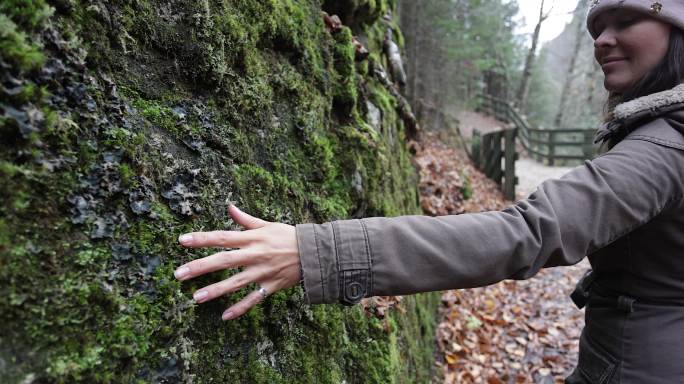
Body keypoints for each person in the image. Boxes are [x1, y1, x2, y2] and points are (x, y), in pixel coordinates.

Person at [173, 1, 684, 382]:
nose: (601, 39)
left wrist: (316, 252)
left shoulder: (664, 148)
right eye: (596, 26)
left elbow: (530, 232)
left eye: (624, 21)